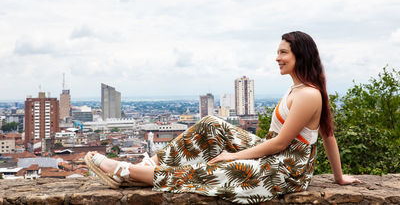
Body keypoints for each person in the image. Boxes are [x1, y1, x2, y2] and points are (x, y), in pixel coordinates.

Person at [85, 31, 360, 204]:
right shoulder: (297, 89)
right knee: (210, 125)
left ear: (300, 55)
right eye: (278, 52)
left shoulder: (309, 95)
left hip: (287, 170)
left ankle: (129, 173)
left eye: (283, 52)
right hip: (272, 157)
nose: (277, 58)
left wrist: (232, 156)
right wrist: (337, 177)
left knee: (219, 171)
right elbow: (328, 134)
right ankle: (151, 164)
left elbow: (286, 143)